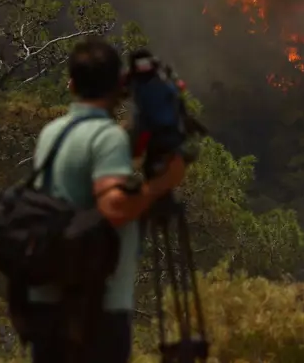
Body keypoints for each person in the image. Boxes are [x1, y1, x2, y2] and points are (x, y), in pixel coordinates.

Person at [27, 36, 186, 363]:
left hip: (47, 302)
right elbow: (112, 206)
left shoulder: (52, 133)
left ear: (72, 86)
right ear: (119, 84)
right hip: (97, 309)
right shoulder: (107, 139)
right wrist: (159, 186)